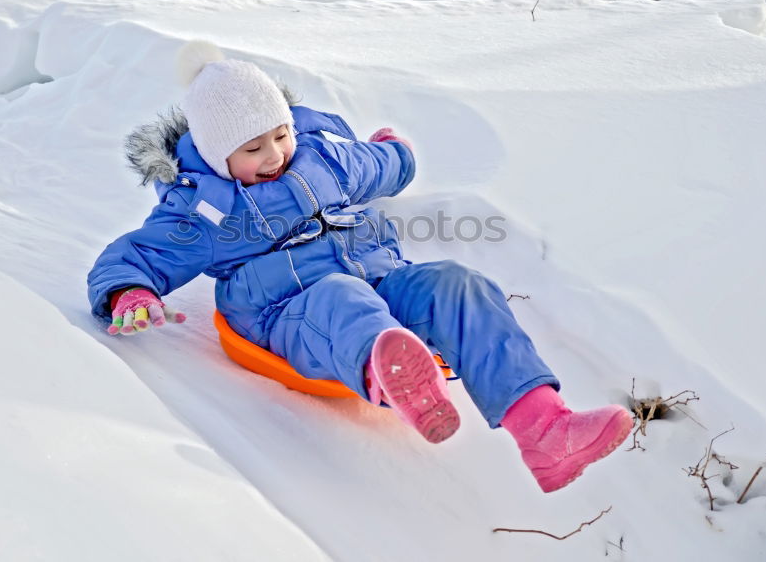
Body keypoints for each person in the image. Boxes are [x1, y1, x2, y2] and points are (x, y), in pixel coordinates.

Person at [87, 41, 632, 493]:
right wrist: (128, 293)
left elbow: (384, 167)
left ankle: (544, 427)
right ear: (214, 156)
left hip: (381, 276)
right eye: (253, 149)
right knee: (343, 300)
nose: (275, 154)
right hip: (290, 310)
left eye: (280, 134)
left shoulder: (324, 157)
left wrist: (396, 151)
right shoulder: (205, 208)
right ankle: (397, 379)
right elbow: (137, 256)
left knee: (457, 284)